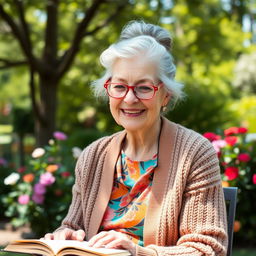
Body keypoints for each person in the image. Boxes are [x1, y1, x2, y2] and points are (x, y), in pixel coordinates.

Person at [43, 21, 228, 255]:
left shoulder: (194, 154)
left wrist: (137, 252)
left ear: (166, 95)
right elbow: (74, 226)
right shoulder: (93, 156)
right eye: (119, 86)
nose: (129, 99)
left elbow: (208, 249)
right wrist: (66, 234)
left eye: (143, 88)